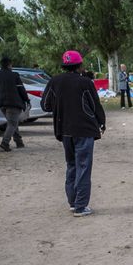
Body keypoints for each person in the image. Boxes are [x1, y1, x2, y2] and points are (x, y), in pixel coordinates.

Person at [41, 50, 106, 218]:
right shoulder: (85, 82)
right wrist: (101, 122)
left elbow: (45, 105)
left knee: (71, 165)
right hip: (84, 130)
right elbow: (95, 105)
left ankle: (73, 202)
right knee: (84, 166)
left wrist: (60, 105)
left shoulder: (54, 81)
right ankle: (81, 206)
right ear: (80, 65)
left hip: (64, 130)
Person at [0, 56, 30, 152]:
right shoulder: (14, 75)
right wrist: (27, 100)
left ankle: (19, 142)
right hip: (14, 103)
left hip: (1, 104)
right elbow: (21, 89)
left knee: (12, 123)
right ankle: (5, 143)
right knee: (12, 123)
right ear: (10, 65)